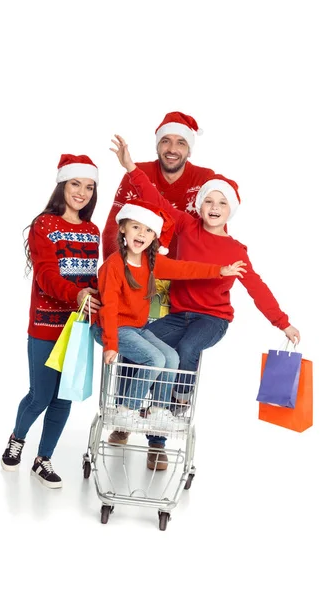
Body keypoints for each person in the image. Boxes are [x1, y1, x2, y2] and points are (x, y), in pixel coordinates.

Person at [110, 135, 301, 464]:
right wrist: (130, 168)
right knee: (143, 343)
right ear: (200, 206)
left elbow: (257, 288)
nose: (214, 208)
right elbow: (156, 199)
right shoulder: (185, 226)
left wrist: (282, 322)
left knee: (185, 351)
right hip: (179, 312)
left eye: (222, 203)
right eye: (209, 202)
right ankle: (125, 415)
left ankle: (167, 420)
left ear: (231, 210)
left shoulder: (236, 251)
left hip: (212, 319)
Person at [92, 190, 246, 468]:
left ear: (154, 238)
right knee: (155, 359)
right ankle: (127, 409)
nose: (141, 234)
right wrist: (112, 343)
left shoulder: (152, 263)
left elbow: (184, 268)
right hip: (113, 327)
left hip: (136, 327)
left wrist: (219, 271)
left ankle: (160, 410)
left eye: (148, 230)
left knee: (171, 359)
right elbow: (109, 308)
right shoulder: (112, 266)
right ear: (123, 229)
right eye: (136, 227)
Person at [1, 154, 101, 488]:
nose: (82, 192)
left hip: (80, 328)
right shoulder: (45, 225)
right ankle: (17, 439)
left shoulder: (92, 230)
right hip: (46, 326)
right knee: (40, 396)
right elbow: (45, 275)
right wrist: (78, 295)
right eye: (76, 184)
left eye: (89, 187)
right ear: (62, 185)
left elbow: (93, 279)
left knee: (63, 398)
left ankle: (43, 460)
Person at [102, 111, 235, 260]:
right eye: (165, 141)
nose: (172, 149)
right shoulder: (135, 173)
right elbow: (114, 227)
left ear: (189, 151)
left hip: (190, 272)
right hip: (143, 272)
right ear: (157, 146)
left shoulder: (205, 178)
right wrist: (116, 270)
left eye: (181, 142)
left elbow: (217, 231)